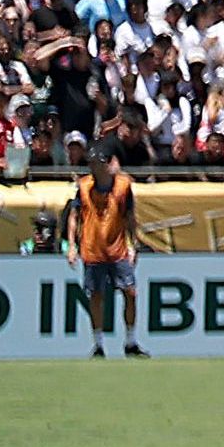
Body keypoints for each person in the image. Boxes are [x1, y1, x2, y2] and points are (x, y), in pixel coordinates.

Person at [73, 145, 144, 357]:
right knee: (96, 296)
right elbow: (74, 216)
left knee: (131, 293)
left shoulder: (123, 186)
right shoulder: (84, 186)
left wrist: (134, 244)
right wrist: (71, 246)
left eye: (97, 163)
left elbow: (129, 217)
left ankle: (130, 342)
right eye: (91, 164)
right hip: (92, 249)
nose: (94, 167)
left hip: (118, 248)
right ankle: (98, 345)